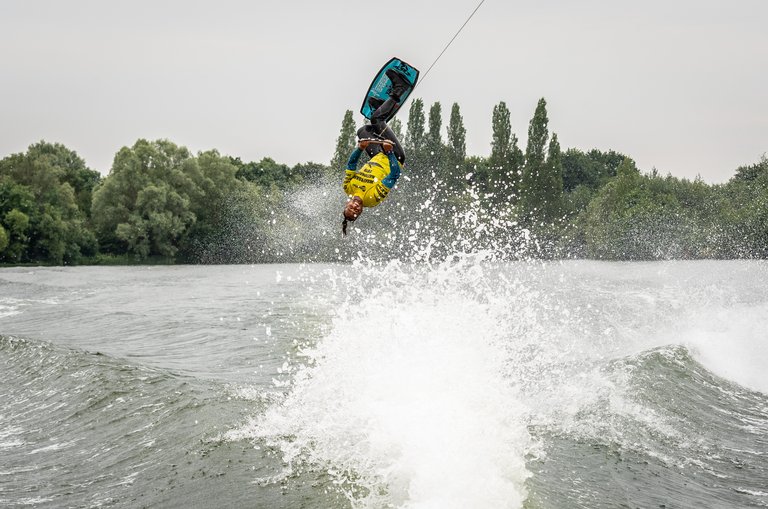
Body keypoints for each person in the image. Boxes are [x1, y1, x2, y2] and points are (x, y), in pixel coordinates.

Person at [341, 70, 410, 236]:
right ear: (361, 212)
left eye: (351, 208)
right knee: (376, 121)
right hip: (394, 156)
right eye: (356, 211)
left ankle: (380, 106)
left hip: (377, 155)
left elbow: (351, 165)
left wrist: (360, 148)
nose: (355, 207)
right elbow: (394, 175)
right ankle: (399, 89)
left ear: (347, 204)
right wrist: (390, 152)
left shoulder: (348, 187)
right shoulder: (372, 199)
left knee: (363, 131)